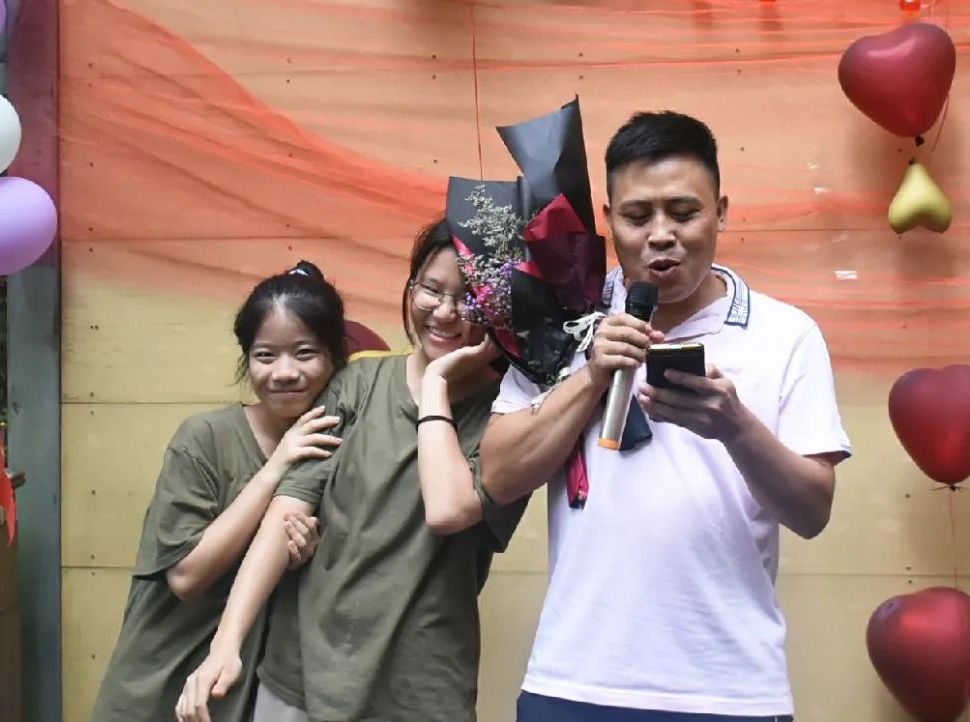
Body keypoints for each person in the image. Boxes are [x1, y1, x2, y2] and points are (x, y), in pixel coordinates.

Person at [481, 111, 852, 722]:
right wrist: (591, 374)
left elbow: (812, 513)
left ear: (721, 212)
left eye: (684, 213)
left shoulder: (787, 334)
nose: (661, 235)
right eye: (637, 216)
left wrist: (736, 428)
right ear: (608, 219)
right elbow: (498, 477)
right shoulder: (562, 319)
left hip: (730, 691)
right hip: (574, 681)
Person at [176, 219, 529, 722]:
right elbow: (286, 513)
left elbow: (448, 510)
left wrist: (436, 384)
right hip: (299, 679)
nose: (445, 312)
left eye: (469, 297)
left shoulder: (510, 416)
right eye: (431, 289)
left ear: (498, 304)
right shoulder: (358, 382)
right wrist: (226, 644)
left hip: (420, 693)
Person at [89, 261, 349, 722]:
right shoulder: (204, 438)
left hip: (243, 696)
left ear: (334, 357)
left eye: (305, 353)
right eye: (265, 356)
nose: (284, 372)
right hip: (156, 691)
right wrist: (275, 468)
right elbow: (187, 577)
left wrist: (302, 558)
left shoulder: (337, 445)